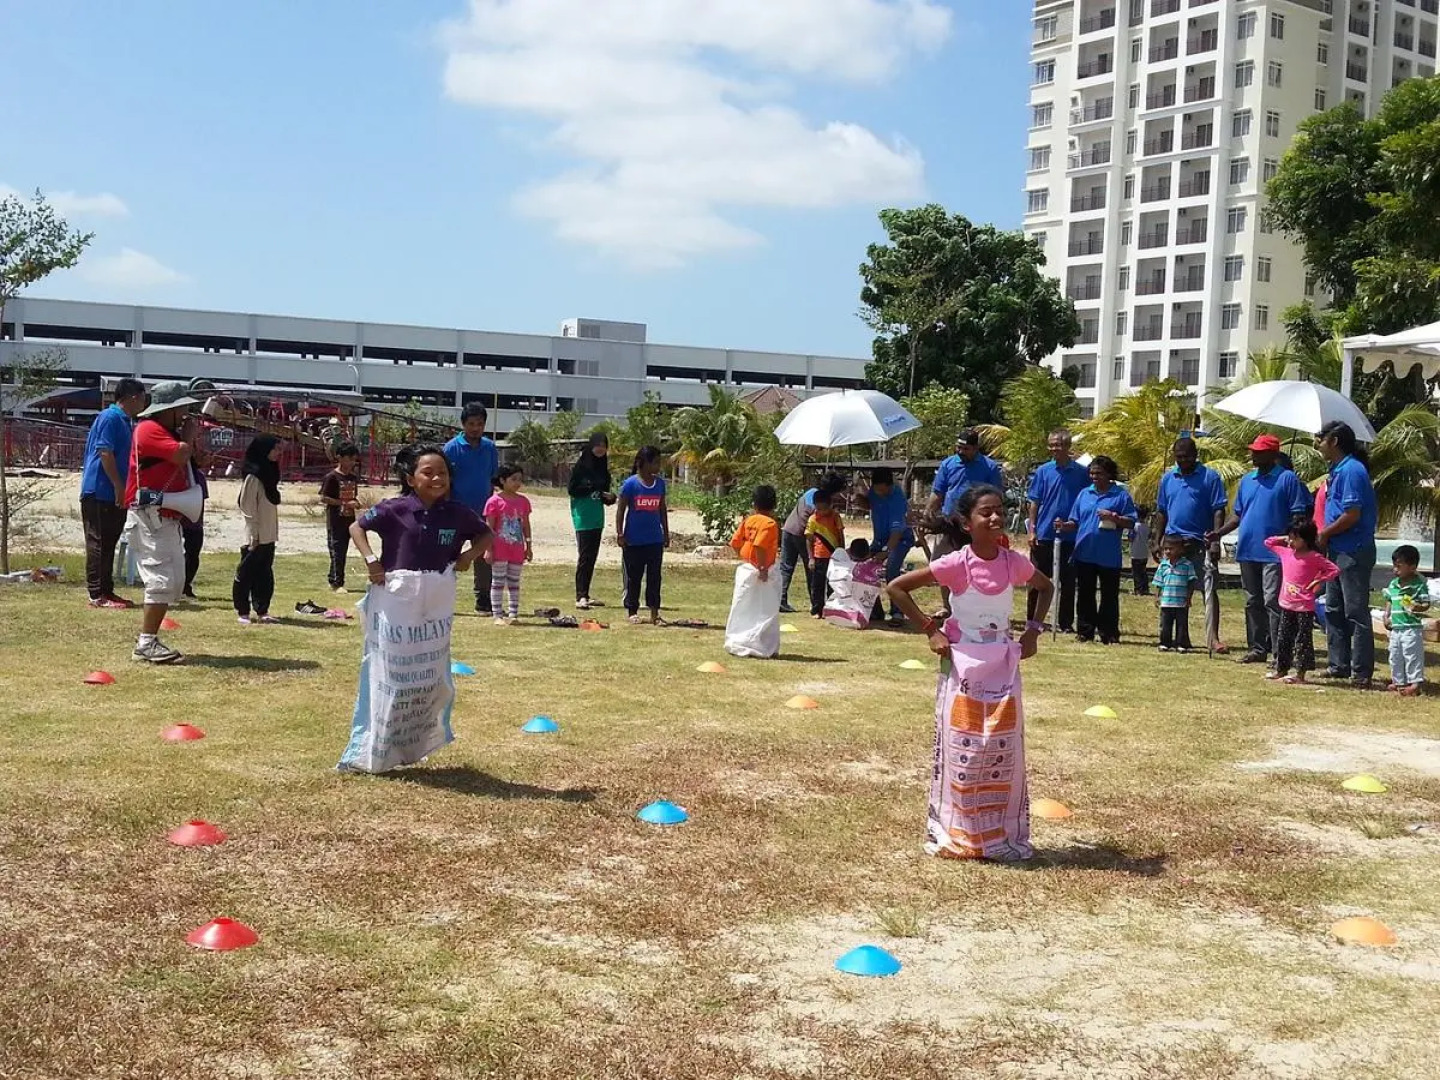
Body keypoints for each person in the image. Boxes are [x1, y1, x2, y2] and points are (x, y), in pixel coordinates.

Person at [884, 486, 1054, 862]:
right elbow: (896, 588)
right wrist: (931, 629)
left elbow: (1045, 587)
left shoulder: (1014, 562)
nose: (994, 518)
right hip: (962, 661)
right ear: (966, 522)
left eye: (999, 511)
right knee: (964, 746)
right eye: (985, 513)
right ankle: (958, 831)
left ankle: (999, 833)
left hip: (1003, 664)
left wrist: (1032, 631)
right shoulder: (956, 563)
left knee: (1000, 748)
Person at [1207, 434, 1311, 666]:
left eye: (1259, 451)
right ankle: (1257, 647)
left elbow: (1298, 514)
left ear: (1273, 455)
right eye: (1253, 450)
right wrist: (1219, 533)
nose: (1253, 455)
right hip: (1248, 550)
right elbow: (1238, 515)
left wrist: (1292, 540)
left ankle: (1279, 651)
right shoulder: (1247, 480)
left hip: (1276, 553)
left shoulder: (1287, 479)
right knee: (1253, 601)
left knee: (1272, 601)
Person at [123, 381, 203, 664]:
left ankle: (149, 639)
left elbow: (191, 459)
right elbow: (181, 454)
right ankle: (146, 643)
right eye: (180, 408)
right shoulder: (148, 430)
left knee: (174, 581)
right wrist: (189, 437)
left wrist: (189, 438)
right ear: (167, 409)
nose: (185, 413)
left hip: (163, 515)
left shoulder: (164, 431)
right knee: (161, 580)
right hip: (150, 517)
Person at [350, 444, 490, 579]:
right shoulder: (393, 509)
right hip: (396, 592)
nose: (437, 478)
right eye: (428, 473)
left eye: (442, 473)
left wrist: (469, 556)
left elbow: (488, 534)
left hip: (440, 591)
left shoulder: (458, 513)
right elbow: (356, 527)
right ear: (411, 480)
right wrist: (371, 560)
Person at [1316, 421, 1379, 688]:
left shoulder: (1352, 470)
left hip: (1353, 550)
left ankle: (1361, 671)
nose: (1317, 442)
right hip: (1336, 550)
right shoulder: (1337, 471)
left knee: (1355, 611)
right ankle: (1338, 665)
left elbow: (1352, 515)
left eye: (1321, 438)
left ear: (1335, 441)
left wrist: (1325, 533)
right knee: (1333, 609)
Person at [80, 378, 146, 609]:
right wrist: (118, 485)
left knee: (109, 542)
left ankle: (108, 591)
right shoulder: (110, 418)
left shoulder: (126, 422)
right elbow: (105, 453)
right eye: (143, 397)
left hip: (116, 493)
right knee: (98, 540)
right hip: (99, 490)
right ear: (133, 397)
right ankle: (96, 594)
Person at [1063, 455, 1137, 645]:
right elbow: (1075, 521)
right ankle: (1085, 631)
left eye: (1099, 473)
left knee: (1109, 596)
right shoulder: (1084, 494)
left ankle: (1109, 633)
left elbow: (1131, 521)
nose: (1094, 476)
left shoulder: (1120, 495)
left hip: (1109, 556)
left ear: (1109, 474)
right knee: (1086, 593)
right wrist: (1064, 525)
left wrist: (1114, 517)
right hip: (1085, 553)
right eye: (1092, 473)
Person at [1025, 428, 1089, 632]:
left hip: (1070, 535)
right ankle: (1033, 620)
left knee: (1068, 582)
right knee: (1037, 579)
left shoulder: (1081, 473)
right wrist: (1032, 530)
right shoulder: (1043, 471)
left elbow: (1087, 499)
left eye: (1058, 445)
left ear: (1067, 447)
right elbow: (1034, 502)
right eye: (1051, 445)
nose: (1054, 449)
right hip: (1044, 534)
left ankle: (1065, 623)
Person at [1264, 521, 1339, 685]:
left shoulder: (1314, 557)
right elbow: (1268, 542)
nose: (1290, 542)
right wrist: (1286, 537)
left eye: (1295, 539)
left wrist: (1319, 580)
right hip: (1286, 604)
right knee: (1283, 638)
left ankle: (1300, 673)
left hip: (1304, 607)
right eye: (1290, 538)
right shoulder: (1286, 553)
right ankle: (1281, 669)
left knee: (1302, 640)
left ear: (1306, 540)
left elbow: (1334, 570)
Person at [443, 404, 499, 614]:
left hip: (482, 512)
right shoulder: (451, 448)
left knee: (483, 556)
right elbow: (444, 481)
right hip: (456, 511)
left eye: (480, 424)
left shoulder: (490, 448)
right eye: (471, 424)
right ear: (463, 425)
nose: (476, 428)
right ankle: (440, 595)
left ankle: (483, 599)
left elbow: (493, 478)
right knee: (447, 554)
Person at [926, 429, 1004, 560]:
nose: (960, 451)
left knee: (975, 561)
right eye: (958, 447)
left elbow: (995, 496)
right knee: (942, 563)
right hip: (949, 522)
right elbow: (938, 492)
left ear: (976, 448)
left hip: (976, 525)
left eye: (966, 449)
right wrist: (929, 510)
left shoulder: (990, 467)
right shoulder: (947, 464)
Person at [724, 485, 782, 658]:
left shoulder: (749, 520)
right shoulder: (770, 524)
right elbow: (760, 546)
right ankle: (761, 644)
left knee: (744, 607)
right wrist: (762, 568)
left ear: (754, 504)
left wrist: (746, 559)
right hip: (762, 570)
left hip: (747, 569)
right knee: (764, 608)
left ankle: (739, 640)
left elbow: (735, 543)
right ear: (774, 505)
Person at [616, 446, 670, 624]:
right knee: (634, 577)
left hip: (654, 539)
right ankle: (632, 611)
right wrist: (620, 533)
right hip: (634, 540)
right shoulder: (630, 484)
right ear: (644, 463)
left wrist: (666, 533)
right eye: (655, 462)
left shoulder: (660, 484)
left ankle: (655, 613)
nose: (658, 466)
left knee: (655, 577)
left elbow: (662, 509)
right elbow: (621, 510)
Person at [778, 472, 844, 614]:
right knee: (813, 570)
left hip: (788, 529)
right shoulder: (822, 505)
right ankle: (815, 603)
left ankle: (780, 599)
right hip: (804, 535)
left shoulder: (811, 492)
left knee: (786, 567)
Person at [234, 435, 282, 625]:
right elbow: (247, 506)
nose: (278, 453)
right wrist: (254, 534)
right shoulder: (253, 477)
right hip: (254, 535)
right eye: (275, 449)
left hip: (268, 534)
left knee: (264, 575)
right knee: (246, 574)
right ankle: (243, 612)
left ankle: (262, 610)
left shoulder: (270, 472)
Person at [568, 431, 615, 610]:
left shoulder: (603, 469)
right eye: (598, 444)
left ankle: (586, 594)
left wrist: (610, 498)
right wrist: (591, 487)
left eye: (604, 445)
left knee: (592, 557)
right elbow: (573, 490)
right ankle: (580, 596)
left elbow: (603, 494)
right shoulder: (580, 467)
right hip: (583, 516)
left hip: (597, 517)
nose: (601, 449)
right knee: (585, 557)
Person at [863, 467, 914, 626]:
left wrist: (885, 552)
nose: (877, 492)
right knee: (864, 566)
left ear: (889, 485)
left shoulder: (897, 499)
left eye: (880, 489)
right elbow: (870, 504)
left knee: (892, 569)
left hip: (899, 540)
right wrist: (861, 500)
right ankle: (874, 609)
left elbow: (896, 532)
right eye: (875, 488)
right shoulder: (873, 492)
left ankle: (897, 612)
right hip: (880, 539)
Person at [483, 465, 533, 625]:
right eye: (513, 479)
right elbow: (489, 527)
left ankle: (513, 614)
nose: (517, 483)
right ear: (503, 480)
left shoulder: (523, 501)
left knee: (514, 582)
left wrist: (529, 546)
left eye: (520, 479)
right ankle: (497, 614)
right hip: (499, 548)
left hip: (516, 549)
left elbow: (526, 524)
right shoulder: (493, 502)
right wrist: (488, 549)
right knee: (498, 582)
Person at [1382, 544, 1430, 696]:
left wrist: (1417, 607)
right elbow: (1389, 599)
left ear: (1412, 567)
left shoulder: (1418, 585)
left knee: (1412, 655)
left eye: (1399, 566)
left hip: (1411, 627)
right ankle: (1398, 681)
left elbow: (1426, 604)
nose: (1395, 570)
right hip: (1396, 627)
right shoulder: (1393, 584)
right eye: (1394, 566)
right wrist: (1386, 615)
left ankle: (1415, 683)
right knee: (1395, 654)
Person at [320, 442, 362, 593]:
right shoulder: (331, 477)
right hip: (335, 520)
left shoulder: (353, 477)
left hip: (349, 519)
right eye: (349, 459)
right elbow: (324, 498)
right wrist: (343, 503)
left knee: (343, 550)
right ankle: (337, 582)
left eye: (354, 460)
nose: (352, 463)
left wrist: (355, 504)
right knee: (337, 551)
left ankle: (335, 579)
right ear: (340, 458)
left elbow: (354, 496)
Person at [1153, 535, 1198, 653]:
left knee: (1181, 624)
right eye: (1166, 548)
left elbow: (1191, 581)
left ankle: (1180, 644)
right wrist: (1157, 596)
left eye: (1171, 549)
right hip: (1166, 601)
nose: (1168, 551)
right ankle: (1165, 643)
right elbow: (1158, 582)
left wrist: (1189, 597)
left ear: (1181, 550)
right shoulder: (1163, 565)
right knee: (1165, 624)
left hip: (1181, 602)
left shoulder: (1187, 565)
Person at [804, 489, 844, 618]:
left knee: (833, 583)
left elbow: (840, 535)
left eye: (824, 508)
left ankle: (831, 608)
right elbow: (809, 540)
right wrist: (811, 558)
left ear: (830, 505)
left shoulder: (835, 517)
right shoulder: (812, 519)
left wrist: (842, 552)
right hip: (819, 556)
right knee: (817, 585)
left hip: (834, 556)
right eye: (818, 508)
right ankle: (817, 609)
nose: (822, 512)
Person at [1130, 509, 1151, 596]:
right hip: (1144, 552)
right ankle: (1145, 588)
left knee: (1136, 572)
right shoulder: (1147, 527)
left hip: (1136, 552)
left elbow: (1131, 537)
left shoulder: (1134, 526)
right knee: (1143, 571)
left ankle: (1138, 589)